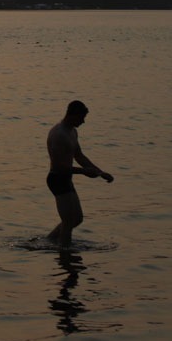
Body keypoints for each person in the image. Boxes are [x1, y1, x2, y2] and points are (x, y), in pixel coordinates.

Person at [46, 100, 113, 246]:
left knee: (77, 219)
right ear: (72, 115)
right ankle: (65, 253)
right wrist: (83, 172)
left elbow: (79, 156)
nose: (83, 122)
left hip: (66, 178)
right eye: (81, 118)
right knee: (68, 221)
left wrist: (100, 172)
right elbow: (59, 166)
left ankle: (50, 240)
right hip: (57, 179)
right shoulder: (59, 134)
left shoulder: (72, 132)